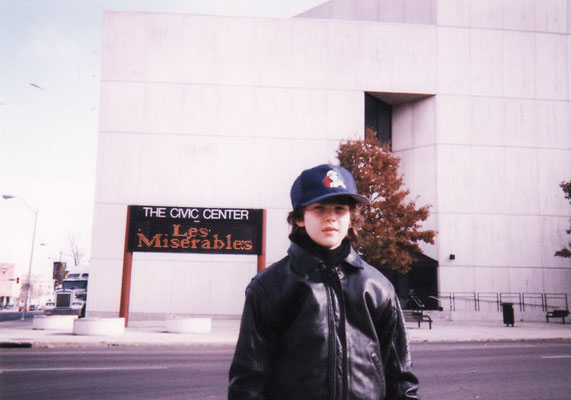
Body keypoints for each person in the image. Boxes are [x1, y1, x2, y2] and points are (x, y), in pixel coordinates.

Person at [228, 164, 419, 400]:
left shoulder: (378, 287)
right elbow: (248, 381)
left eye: (340, 209)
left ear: (351, 218)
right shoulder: (269, 287)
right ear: (299, 217)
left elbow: (401, 378)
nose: (331, 217)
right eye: (319, 208)